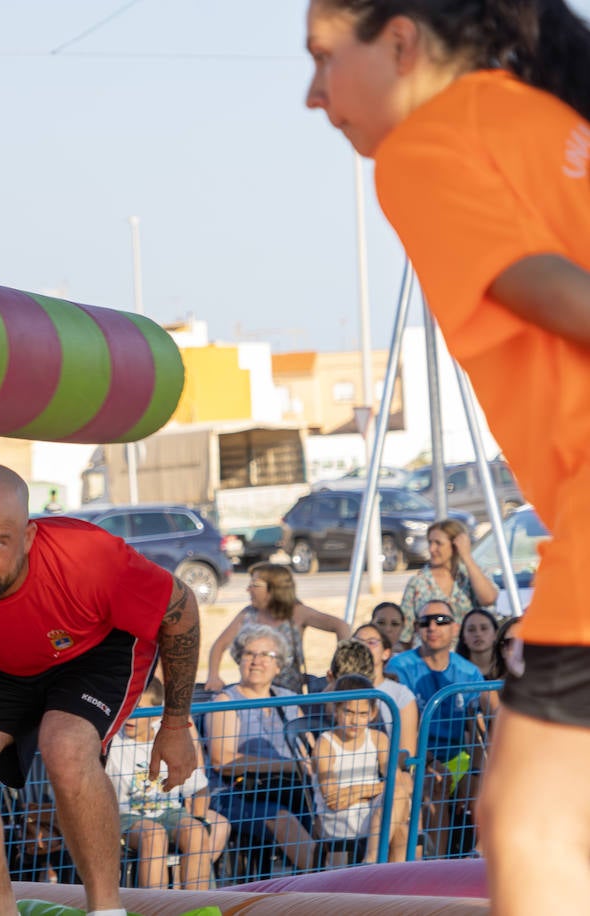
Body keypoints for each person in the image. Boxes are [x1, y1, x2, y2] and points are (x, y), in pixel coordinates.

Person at [304, 2, 590, 907]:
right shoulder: (558, 120)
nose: (312, 95)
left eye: (321, 59)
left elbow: (556, 294)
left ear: (399, 42)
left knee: (528, 820)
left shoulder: (424, 148)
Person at [0, 463, 199, 916]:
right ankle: (0, 912)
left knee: (67, 744)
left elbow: (181, 611)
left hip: (94, 646)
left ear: (29, 536)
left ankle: (107, 909)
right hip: (1, 658)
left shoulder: (87, 558)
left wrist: (175, 725)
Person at [203, 624, 314, 872]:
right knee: (282, 819)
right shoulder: (226, 701)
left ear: (279, 665)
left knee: (321, 812)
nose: (256, 661)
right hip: (234, 794)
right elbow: (223, 761)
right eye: (249, 654)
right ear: (238, 659)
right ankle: (329, 886)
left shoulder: (289, 699)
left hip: (283, 789)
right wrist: (289, 765)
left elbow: (309, 754)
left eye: (266, 655)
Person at [104, 677, 227, 890]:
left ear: (156, 713)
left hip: (168, 812)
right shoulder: (113, 742)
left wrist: (197, 817)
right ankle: (156, 907)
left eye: (139, 708)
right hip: (124, 815)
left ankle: (197, 908)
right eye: (127, 707)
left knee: (196, 831)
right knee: (154, 835)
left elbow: (200, 787)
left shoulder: (169, 743)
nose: (131, 715)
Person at [384, 600, 485, 858]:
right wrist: (428, 760)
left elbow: (478, 729)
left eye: (441, 621)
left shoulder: (469, 672)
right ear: (416, 629)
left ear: (454, 627)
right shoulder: (399, 667)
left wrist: (477, 771)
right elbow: (395, 728)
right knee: (435, 783)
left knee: (487, 789)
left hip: (457, 755)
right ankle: (436, 866)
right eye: (425, 622)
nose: (433, 627)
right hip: (415, 755)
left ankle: (482, 860)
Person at [205, 563, 350, 693]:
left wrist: (341, 671)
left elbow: (341, 626)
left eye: (255, 585)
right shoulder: (247, 614)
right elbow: (219, 645)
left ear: (274, 589)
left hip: (289, 699)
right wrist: (213, 676)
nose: (248, 589)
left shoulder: (297, 613)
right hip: (254, 695)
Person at [311, 674, 405, 864]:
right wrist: (376, 789)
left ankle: (376, 866)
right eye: (349, 712)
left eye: (362, 714)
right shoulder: (325, 743)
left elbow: (398, 782)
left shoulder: (379, 739)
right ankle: (378, 868)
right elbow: (333, 800)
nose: (355, 720)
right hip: (338, 819)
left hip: (371, 811)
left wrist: (354, 791)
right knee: (399, 823)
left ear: (372, 713)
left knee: (400, 800)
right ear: (336, 710)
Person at [336, 629, 418, 776]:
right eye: (358, 642)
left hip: (382, 773)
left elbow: (407, 753)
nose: (364, 647)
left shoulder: (400, 694)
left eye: (372, 642)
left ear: (386, 653)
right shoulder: (332, 693)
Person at [398, 520, 497, 639]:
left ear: (455, 545)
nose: (431, 549)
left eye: (438, 543)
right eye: (430, 542)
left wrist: (466, 557)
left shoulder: (472, 574)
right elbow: (405, 633)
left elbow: (488, 599)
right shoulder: (418, 582)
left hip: (465, 654)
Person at [456, 608, 503, 679]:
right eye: (471, 630)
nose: (478, 634)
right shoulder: (455, 672)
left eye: (484, 628)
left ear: (495, 634)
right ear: (463, 637)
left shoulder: (508, 669)